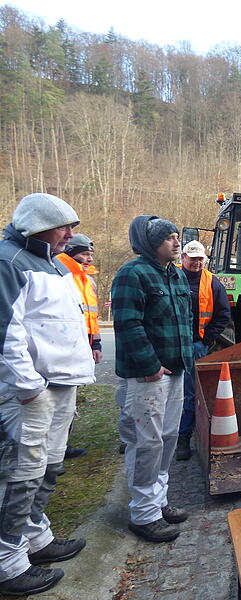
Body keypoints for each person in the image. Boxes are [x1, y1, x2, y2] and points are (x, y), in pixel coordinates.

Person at [0, 193, 95, 596]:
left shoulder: (52, 263)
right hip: (32, 391)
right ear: (37, 226)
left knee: (50, 465)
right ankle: (7, 563)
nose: (70, 235)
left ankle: (36, 538)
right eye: (64, 227)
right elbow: (6, 330)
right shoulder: (9, 261)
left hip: (60, 383)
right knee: (22, 472)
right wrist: (28, 386)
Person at [112, 215, 193, 543]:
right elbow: (127, 324)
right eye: (169, 237)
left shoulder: (176, 274)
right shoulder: (132, 274)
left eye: (176, 236)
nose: (176, 242)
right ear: (150, 243)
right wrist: (150, 365)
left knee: (168, 437)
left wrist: (186, 358)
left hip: (176, 371)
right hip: (147, 377)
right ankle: (143, 514)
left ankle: (157, 502)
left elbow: (186, 318)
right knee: (145, 443)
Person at [175, 240, 231, 461]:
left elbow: (223, 315)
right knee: (168, 391)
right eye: (192, 258)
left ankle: (184, 437)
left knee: (190, 393)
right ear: (183, 258)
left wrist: (206, 340)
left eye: (200, 259)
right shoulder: (171, 276)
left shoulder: (213, 283)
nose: (197, 262)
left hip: (196, 345)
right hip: (172, 344)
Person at [55, 233, 101, 460]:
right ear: (70, 253)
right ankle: (53, 454)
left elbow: (92, 316)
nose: (89, 259)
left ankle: (61, 447)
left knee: (67, 401)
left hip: (82, 346)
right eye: (84, 254)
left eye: (91, 254)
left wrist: (96, 343)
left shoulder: (87, 280)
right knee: (56, 402)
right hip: (63, 349)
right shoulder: (60, 276)